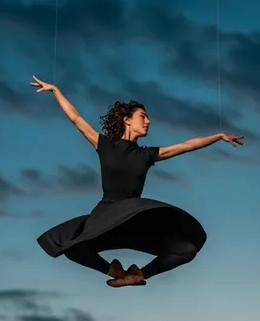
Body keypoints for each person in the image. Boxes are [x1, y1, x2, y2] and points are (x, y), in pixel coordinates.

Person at [31, 76, 243, 287]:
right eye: (143, 116)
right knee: (69, 246)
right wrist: (56, 91)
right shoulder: (105, 145)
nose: (148, 121)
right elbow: (76, 119)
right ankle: (113, 270)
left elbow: (187, 145)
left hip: (135, 220)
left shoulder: (146, 154)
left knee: (187, 250)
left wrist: (218, 136)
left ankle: (139, 275)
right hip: (106, 218)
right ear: (127, 119)